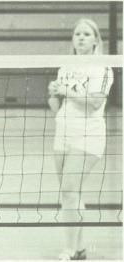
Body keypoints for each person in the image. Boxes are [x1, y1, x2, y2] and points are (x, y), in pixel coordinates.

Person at [47, 19, 113, 260]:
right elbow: (57, 107)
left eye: (86, 34)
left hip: (88, 137)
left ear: (96, 40)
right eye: (77, 34)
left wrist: (67, 92)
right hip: (63, 133)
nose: (81, 38)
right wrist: (53, 93)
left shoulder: (103, 68)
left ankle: (70, 250)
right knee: (71, 195)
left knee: (68, 189)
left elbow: (95, 101)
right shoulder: (65, 67)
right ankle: (81, 247)